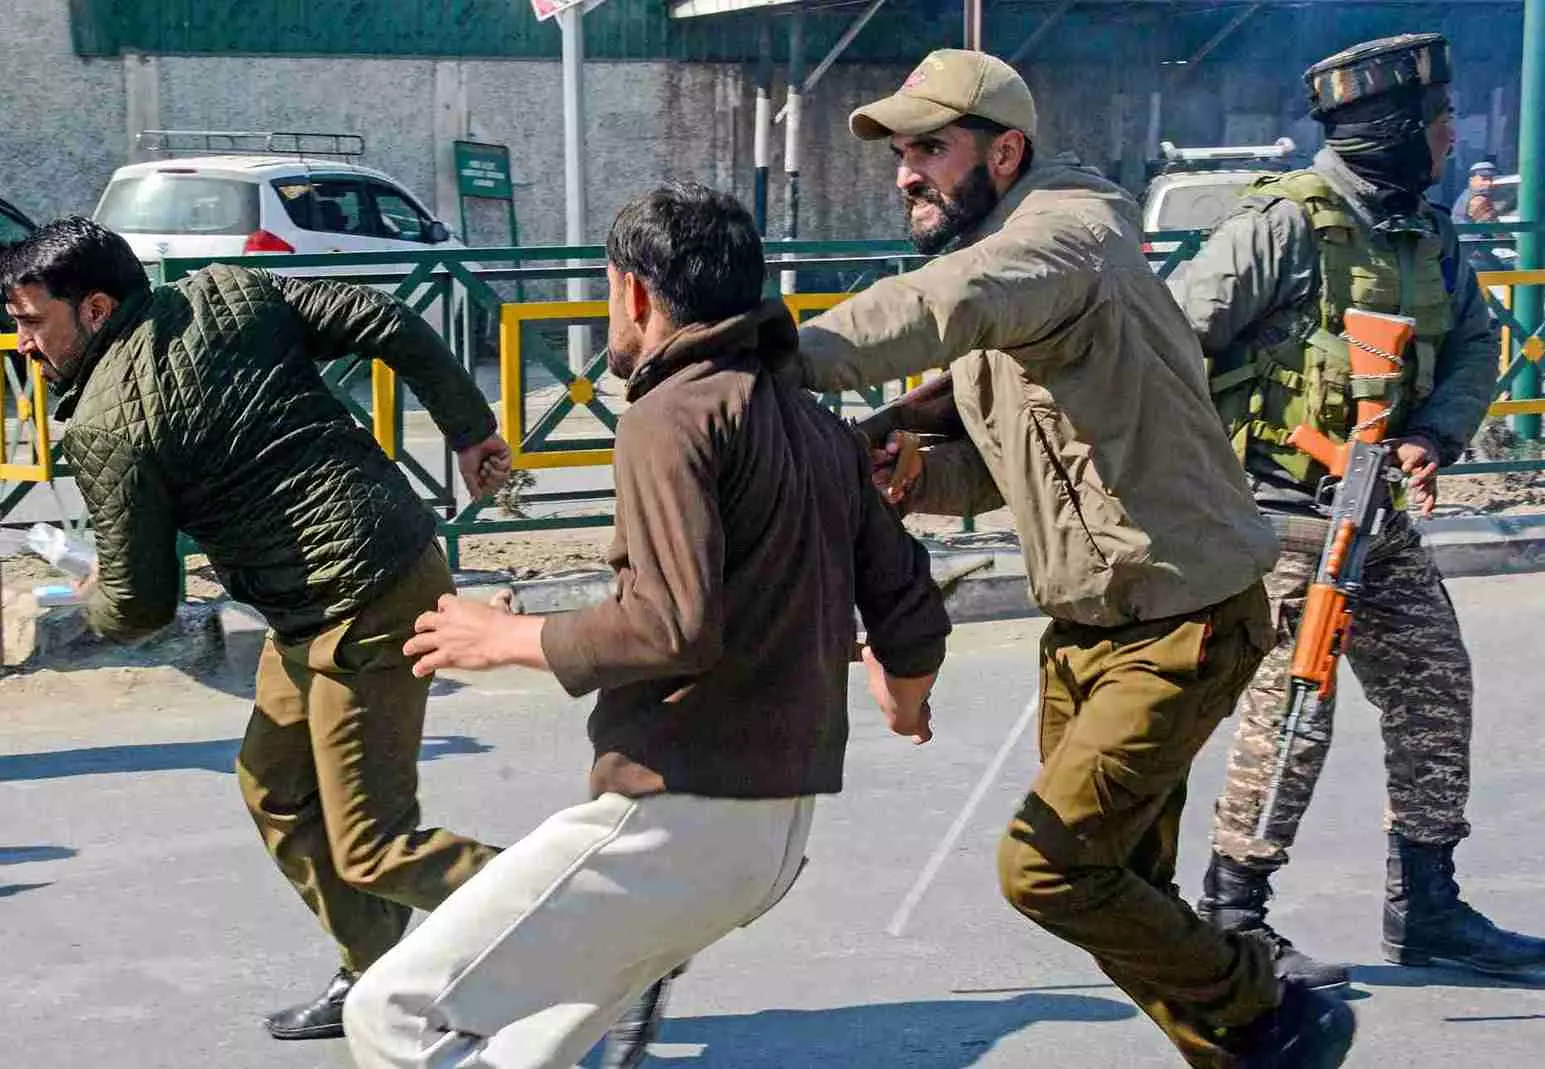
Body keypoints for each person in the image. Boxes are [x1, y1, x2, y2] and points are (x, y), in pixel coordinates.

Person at [766, 47, 1349, 1068]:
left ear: (1005, 152)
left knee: (1050, 867)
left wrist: (764, 354)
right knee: (1123, 891)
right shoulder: (1009, 266)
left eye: (929, 150)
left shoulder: (1064, 236)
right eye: (900, 155)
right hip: (1086, 634)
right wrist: (917, 475)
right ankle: (1247, 1049)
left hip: (1180, 621)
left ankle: (1270, 998)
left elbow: (942, 303)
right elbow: (1007, 466)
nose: (905, 174)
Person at [340, 182, 952, 1068]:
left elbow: (671, 624)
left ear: (632, 291)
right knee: (526, 1048)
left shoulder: (669, 415)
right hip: (775, 836)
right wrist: (906, 698)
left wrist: (503, 638)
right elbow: (909, 608)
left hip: (679, 821)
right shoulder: (814, 427)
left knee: (391, 1011)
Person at [0, 218, 512, 1040]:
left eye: (32, 322)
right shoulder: (228, 291)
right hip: (345, 584)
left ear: (95, 309)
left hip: (362, 600)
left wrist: (88, 597)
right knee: (274, 784)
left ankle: (590, 918)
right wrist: (469, 429)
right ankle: (377, 971)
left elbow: (139, 604)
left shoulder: (104, 424)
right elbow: (383, 317)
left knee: (374, 846)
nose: (24, 345)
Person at [1170, 33, 1545, 992]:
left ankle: (1427, 907)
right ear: (1392, 131)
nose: (1452, 137)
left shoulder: (1425, 232)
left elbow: (1475, 341)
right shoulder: (1283, 226)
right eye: (1440, 121)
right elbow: (1169, 339)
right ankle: (1233, 915)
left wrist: (1434, 434)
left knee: (1434, 687)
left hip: (1375, 513)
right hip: (1279, 514)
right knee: (1291, 711)